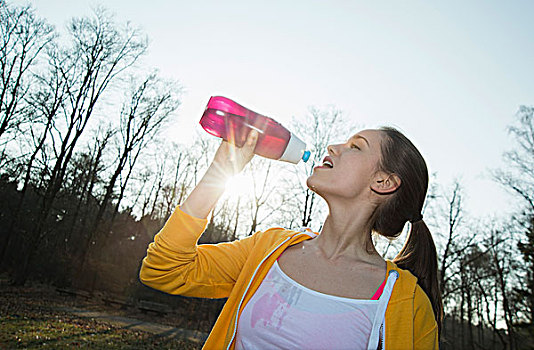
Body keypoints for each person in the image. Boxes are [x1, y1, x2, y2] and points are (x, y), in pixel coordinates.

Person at [140, 127, 442, 350]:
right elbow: (164, 269)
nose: (334, 147)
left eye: (355, 146)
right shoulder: (268, 249)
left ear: (383, 182)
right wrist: (221, 171)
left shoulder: (408, 304)